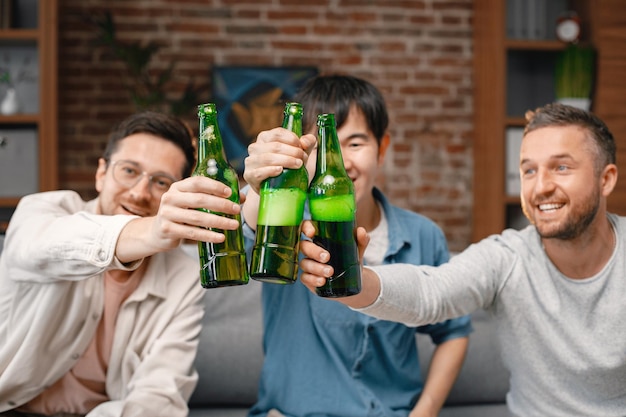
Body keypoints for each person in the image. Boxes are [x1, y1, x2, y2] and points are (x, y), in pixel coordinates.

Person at [298, 102, 626, 417]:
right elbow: (431, 293)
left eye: (562, 167)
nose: (541, 187)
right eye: (529, 170)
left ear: (606, 179)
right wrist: (353, 282)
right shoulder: (508, 258)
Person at [242, 74, 472, 417]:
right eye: (321, 145)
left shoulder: (423, 236)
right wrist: (259, 186)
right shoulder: (284, 221)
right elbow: (251, 224)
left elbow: (454, 330)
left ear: (382, 147)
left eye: (354, 143)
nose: (340, 161)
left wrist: (424, 412)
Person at [0, 111, 243, 417]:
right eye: (129, 171)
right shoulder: (43, 211)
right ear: (101, 173)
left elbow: (159, 395)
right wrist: (151, 232)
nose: (140, 193)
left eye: (161, 181)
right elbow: (34, 249)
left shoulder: (183, 277)